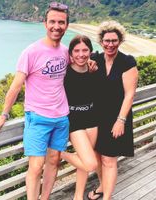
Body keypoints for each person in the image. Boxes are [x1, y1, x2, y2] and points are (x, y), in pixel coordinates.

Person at [0, 2, 70, 200]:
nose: (56, 26)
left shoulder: (66, 51)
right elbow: (15, 86)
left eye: (61, 22)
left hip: (61, 118)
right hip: (38, 118)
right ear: (44, 23)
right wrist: (3, 115)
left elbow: (79, 68)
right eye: (52, 21)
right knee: (35, 167)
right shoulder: (31, 52)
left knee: (54, 161)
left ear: (67, 25)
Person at [87, 20, 139, 200]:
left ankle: (107, 197)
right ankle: (102, 186)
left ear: (120, 41)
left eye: (114, 40)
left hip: (117, 118)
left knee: (109, 160)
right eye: (107, 41)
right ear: (101, 42)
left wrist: (121, 120)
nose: (110, 44)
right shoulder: (94, 60)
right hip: (96, 117)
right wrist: (89, 71)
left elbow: (129, 95)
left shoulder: (127, 62)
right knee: (98, 157)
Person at [61, 35, 99, 200]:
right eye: (76, 51)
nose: (81, 54)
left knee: (84, 161)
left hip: (91, 119)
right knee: (90, 163)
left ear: (90, 51)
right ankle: (56, 152)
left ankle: (78, 196)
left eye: (85, 50)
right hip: (73, 121)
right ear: (70, 53)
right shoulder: (64, 72)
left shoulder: (94, 69)